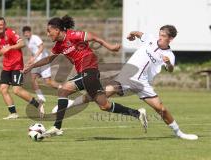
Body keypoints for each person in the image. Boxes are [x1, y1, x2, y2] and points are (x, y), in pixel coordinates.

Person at [60, 25, 198, 140]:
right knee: (99, 96)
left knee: (161, 109)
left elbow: (170, 69)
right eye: (160, 34)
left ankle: (179, 133)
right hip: (126, 77)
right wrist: (132, 34)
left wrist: (169, 64)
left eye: (163, 36)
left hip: (143, 83)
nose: (160, 37)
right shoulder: (150, 39)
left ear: (170, 39)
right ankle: (71, 105)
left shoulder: (170, 55)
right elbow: (138, 33)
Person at [24, 15, 148, 136]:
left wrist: (110, 47)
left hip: (89, 69)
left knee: (63, 91)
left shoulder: (73, 35)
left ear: (57, 30)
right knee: (104, 105)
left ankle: (57, 126)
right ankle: (137, 113)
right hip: (86, 73)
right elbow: (48, 60)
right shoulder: (58, 46)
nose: (47, 34)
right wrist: (32, 66)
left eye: (49, 31)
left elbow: (93, 37)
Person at [0, 17, 44, 119]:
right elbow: (0, 52)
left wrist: (10, 47)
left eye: (1, 24)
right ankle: (13, 113)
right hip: (6, 67)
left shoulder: (10, 32)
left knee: (16, 90)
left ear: (4, 25)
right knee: (3, 89)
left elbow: (22, 43)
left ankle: (38, 105)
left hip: (17, 66)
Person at [22, 26, 61, 103]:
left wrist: (35, 58)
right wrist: (31, 60)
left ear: (30, 32)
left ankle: (63, 89)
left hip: (43, 61)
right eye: (25, 33)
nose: (26, 34)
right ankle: (41, 97)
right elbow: (33, 52)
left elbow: (41, 47)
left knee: (46, 81)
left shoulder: (35, 37)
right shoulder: (27, 41)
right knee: (36, 79)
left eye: (27, 33)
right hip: (37, 62)